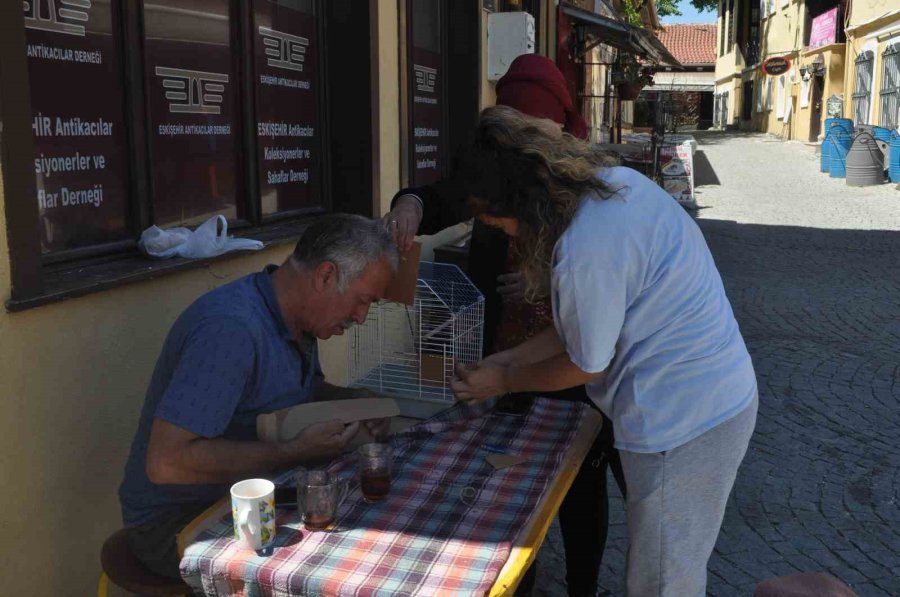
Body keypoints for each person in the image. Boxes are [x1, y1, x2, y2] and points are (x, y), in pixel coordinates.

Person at [450, 106, 758, 597]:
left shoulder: (584, 248)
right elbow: (589, 325)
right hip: (711, 398)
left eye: (501, 224)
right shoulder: (615, 186)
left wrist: (504, 380)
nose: (508, 237)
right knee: (663, 569)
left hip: (685, 420)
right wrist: (505, 361)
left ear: (524, 205)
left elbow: (584, 362)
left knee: (662, 581)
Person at [385, 54, 624, 596]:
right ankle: (515, 578)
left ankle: (583, 587)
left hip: (577, 363)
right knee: (510, 477)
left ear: (558, 128)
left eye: (532, 127)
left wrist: (545, 288)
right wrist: (409, 207)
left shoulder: (579, 186)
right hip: (510, 351)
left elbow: (595, 291)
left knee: (582, 485)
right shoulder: (495, 174)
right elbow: (439, 196)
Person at [118, 214, 399, 579]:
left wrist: (357, 400)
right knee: (322, 573)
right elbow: (166, 463)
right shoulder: (230, 330)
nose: (361, 317)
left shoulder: (298, 317)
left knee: (369, 536)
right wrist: (292, 452)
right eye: (363, 301)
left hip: (254, 494)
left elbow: (300, 390)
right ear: (326, 275)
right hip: (176, 520)